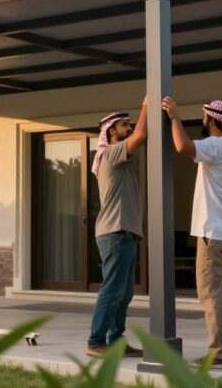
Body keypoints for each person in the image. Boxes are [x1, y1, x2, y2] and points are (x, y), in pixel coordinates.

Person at [161, 97, 222, 370]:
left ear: (213, 121)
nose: (202, 122)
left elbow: (182, 146)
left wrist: (174, 117)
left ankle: (219, 355)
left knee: (213, 295)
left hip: (214, 233)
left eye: (204, 118)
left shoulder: (216, 145)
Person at [87, 97, 148, 358]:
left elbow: (141, 136)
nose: (130, 127)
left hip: (125, 233)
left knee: (124, 294)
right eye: (125, 124)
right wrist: (146, 105)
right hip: (115, 232)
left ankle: (116, 340)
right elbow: (143, 134)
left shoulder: (121, 157)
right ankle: (95, 342)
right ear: (111, 131)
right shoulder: (111, 154)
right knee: (112, 290)